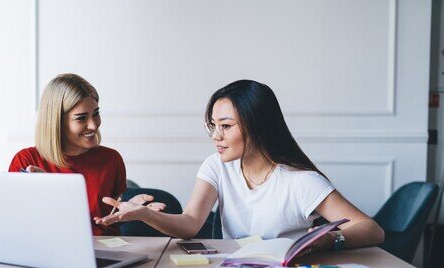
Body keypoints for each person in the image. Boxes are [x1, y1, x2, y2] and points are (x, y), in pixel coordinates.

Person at [95, 80, 384, 254]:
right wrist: (145, 215)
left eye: (225, 126)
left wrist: (330, 240)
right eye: (213, 126)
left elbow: (371, 230)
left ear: (257, 128)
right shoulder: (216, 167)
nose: (216, 136)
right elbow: (190, 224)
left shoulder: (300, 181)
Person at [9, 73, 164, 236]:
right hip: (48, 249)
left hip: (104, 250)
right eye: (81, 118)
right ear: (57, 122)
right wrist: (48, 190)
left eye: (96, 113)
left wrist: (132, 209)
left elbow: (108, 218)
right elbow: (18, 224)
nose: (93, 124)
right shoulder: (26, 160)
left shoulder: (111, 159)